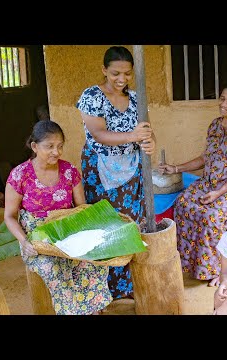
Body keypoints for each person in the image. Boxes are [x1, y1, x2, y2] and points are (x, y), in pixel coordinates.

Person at [3, 119, 112, 315]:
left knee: (92, 262)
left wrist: (88, 236)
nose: (56, 152)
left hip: (67, 232)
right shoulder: (20, 175)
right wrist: (25, 241)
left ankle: (92, 310)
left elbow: (81, 208)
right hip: (38, 239)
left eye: (60, 146)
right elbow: (10, 216)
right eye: (50, 146)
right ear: (35, 147)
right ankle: (73, 311)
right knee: (54, 268)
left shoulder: (69, 171)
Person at [76, 46, 156, 299]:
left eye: (127, 74)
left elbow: (146, 131)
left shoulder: (135, 99)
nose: (121, 79)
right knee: (105, 225)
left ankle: (126, 286)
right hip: (100, 170)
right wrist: (134, 136)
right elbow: (99, 134)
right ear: (104, 70)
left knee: (130, 224)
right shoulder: (92, 96)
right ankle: (104, 287)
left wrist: (151, 141)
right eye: (115, 73)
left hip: (132, 169)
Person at [158, 80, 227, 287]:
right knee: (184, 204)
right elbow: (205, 158)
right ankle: (189, 264)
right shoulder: (215, 124)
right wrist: (176, 168)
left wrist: (219, 192)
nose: (224, 105)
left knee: (212, 216)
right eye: (222, 99)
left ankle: (218, 270)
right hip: (208, 183)